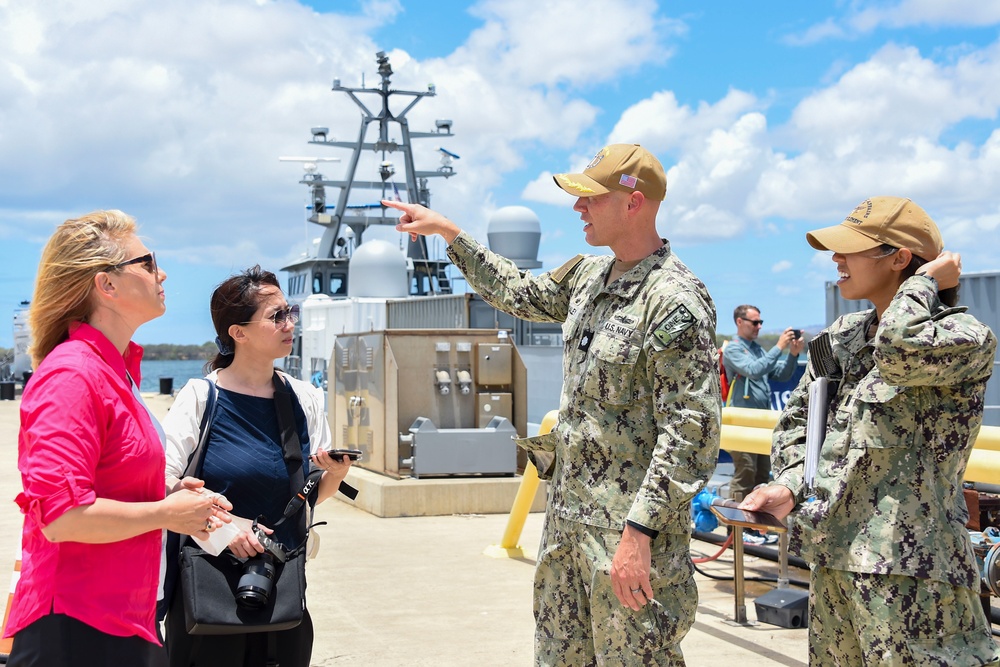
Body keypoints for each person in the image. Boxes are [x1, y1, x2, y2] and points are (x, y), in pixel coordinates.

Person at [384, 143, 721, 666]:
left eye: (591, 197)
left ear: (634, 203)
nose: (577, 207)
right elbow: (517, 292)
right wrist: (450, 233)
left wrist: (640, 533)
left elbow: (690, 432)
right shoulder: (588, 278)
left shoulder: (673, 299)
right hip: (568, 522)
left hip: (625, 535)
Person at [741, 196, 999, 665]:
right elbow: (801, 419)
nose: (836, 260)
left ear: (900, 258)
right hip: (834, 560)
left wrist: (921, 285)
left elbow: (899, 351)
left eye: (851, 249)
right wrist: (793, 483)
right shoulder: (843, 336)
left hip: (914, 577)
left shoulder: (964, 338)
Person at [7, 210, 231, 667]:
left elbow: (107, 481)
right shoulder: (72, 374)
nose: (161, 272)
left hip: (126, 617)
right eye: (148, 263)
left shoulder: (115, 371)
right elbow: (63, 516)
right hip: (77, 627)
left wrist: (166, 493)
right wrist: (166, 513)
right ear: (106, 286)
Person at [161, 266, 353, 667]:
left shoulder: (305, 398)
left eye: (290, 311)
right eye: (276, 316)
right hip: (207, 587)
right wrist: (227, 529)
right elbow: (161, 482)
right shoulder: (201, 397)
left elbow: (309, 496)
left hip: (280, 586)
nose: (290, 324)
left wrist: (334, 475)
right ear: (238, 332)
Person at [722, 305, 804, 545]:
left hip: (760, 427)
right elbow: (754, 371)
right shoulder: (734, 349)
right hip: (740, 425)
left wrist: (792, 354)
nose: (759, 327)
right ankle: (735, 530)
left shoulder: (757, 349)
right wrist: (779, 346)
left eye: (761, 323)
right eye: (754, 323)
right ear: (739, 322)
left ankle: (754, 528)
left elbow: (780, 374)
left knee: (761, 476)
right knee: (744, 474)